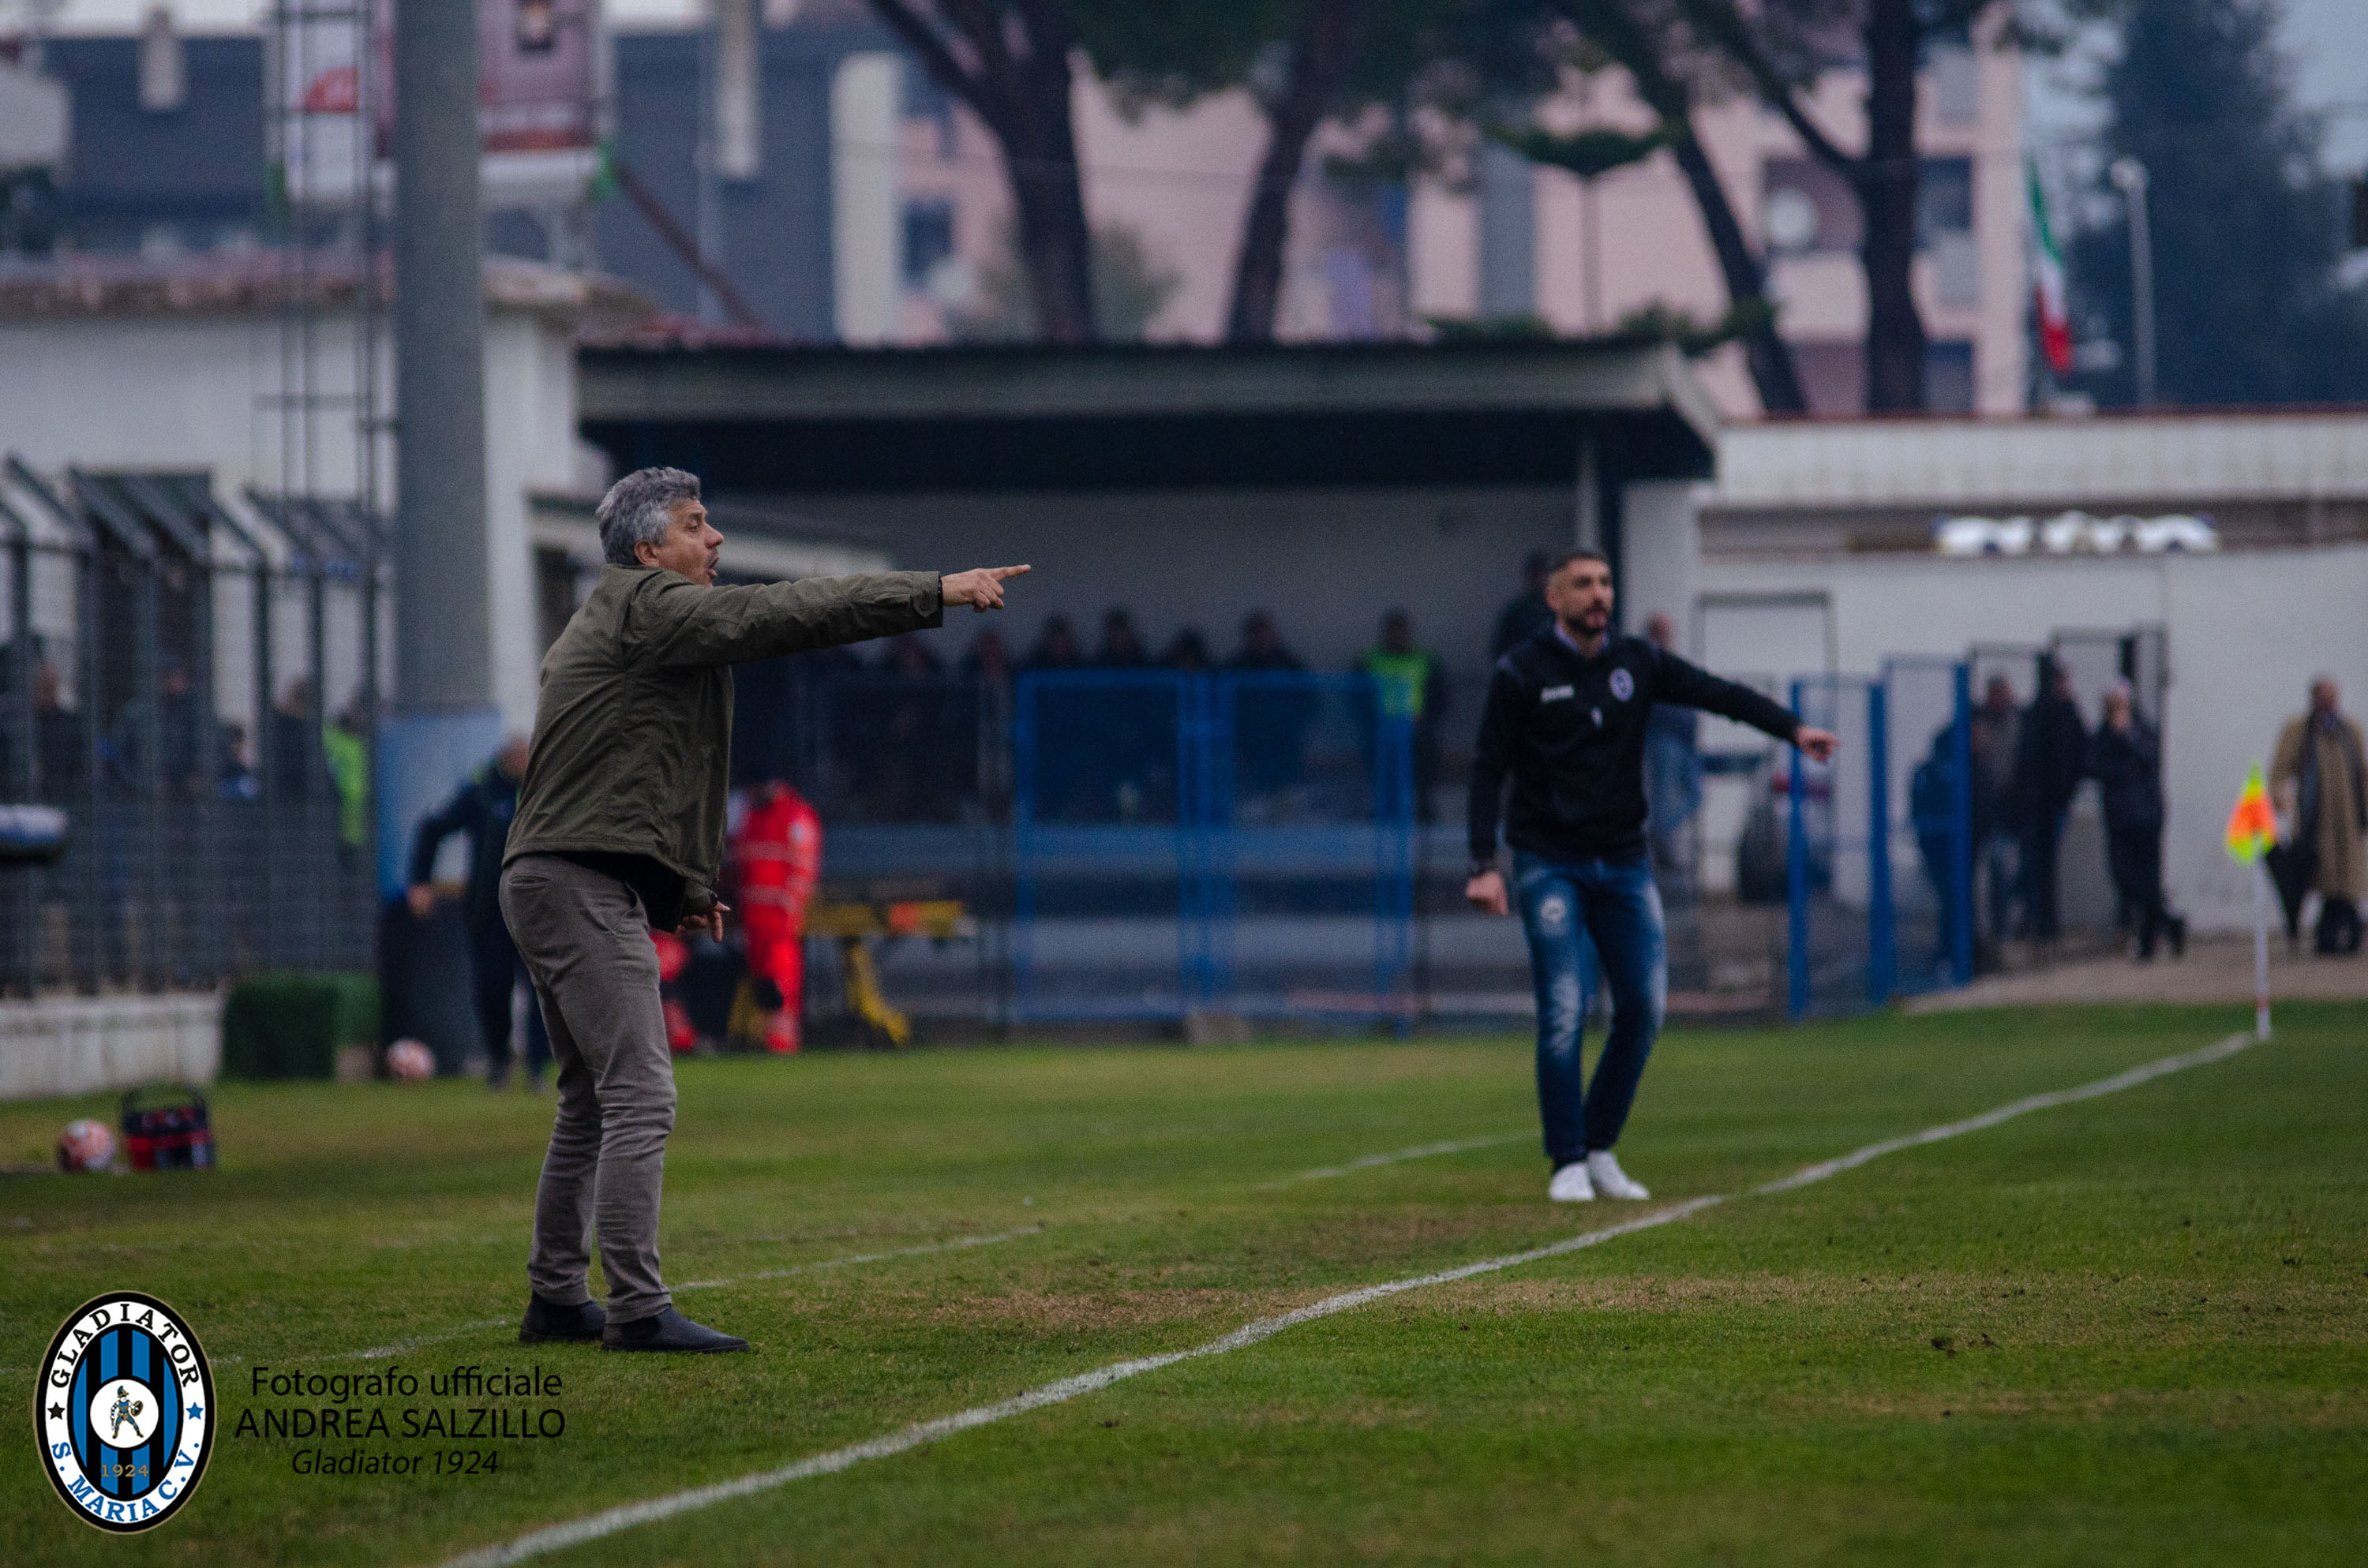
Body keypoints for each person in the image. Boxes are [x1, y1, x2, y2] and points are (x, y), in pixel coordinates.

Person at [499, 465, 1028, 1353]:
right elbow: (787, 614)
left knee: (591, 1098)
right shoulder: (651, 607)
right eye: (697, 525)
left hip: (559, 875)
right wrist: (934, 593)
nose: (716, 541)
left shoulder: (615, 620)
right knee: (640, 1093)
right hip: (575, 883)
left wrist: (685, 888)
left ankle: (557, 1295)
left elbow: (628, 769)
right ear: (646, 550)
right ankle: (634, 1307)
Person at [1466, 549, 1835, 1203]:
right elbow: (1487, 768)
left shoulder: (1638, 662)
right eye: (1583, 584)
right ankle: (1566, 1163)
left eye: (1605, 582)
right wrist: (1482, 865)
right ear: (1554, 598)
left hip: (1625, 863)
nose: (1598, 594)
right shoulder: (1520, 672)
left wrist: (1792, 729)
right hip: (1549, 863)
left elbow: (1718, 694)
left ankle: (1600, 1146)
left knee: (1643, 1009)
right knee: (1564, 1009)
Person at [408, 735, 551, 1090]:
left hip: (538, 912)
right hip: (490, 913)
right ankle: (499, 1059)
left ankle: (537, 1068)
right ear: (508, 759)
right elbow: (433, 828)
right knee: (492, 989)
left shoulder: (546, 788)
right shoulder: (483, 792)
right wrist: (420, 881)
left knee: (542, 991)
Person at [2088, 681, 2185, 961]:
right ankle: (2169, 924)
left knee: (2149, 879)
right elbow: (2093, 765)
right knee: (2126, 877)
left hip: (2146, 817)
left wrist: (2126, 735)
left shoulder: (2142, 729)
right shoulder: (2103, 735)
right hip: (2119, 818)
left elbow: (2150, 757)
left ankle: (2147, 943)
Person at [2271, 675, 2366, 956]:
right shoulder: (2300, 731)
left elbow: (2361, 773)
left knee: (2347, 881)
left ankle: (2346, 931)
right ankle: (2328, 933)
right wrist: (2281, 798)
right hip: (2317, 821)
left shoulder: (2350, 731)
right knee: (2325, 876)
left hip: (2349, 820)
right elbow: (2279, 771)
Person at [731, 780, 822, 1052]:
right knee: (763, 979)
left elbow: (803, 865)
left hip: (779, 918)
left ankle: (781, 1039)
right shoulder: (752, 814)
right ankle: (767, 1036)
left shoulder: (795, 815)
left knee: (781, 977)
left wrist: (792, 907)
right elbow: (743, 861)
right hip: (755, 918)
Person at [2011, 659, 2086, 945]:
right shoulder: (2038, 715)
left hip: (2054, 805)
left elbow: (2078, 757)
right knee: (2033, 865)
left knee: (2044, 866)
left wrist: (2066, 793)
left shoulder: (2067, 715)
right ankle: (2035, 921)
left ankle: (2045, 923)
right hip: (2036, 807)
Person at [1358, 608, 1448, 824]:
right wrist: (1374, 720)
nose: (1397, 636)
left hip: (1417, 725)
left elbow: (1440, 695)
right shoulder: (1370, 660)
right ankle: (1385, 807)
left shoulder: (1425, 659)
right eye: (1393, 631)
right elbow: (1357, 697)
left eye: (1402, 631)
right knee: (1380, 758)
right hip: (1381, 726)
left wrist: (1424, 719)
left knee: (1426, 755)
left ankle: (1423, 805)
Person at [1227, 611, 1316, 803]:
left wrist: (1292, 718)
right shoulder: (1237, 666)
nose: (1263, 640)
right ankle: (1259, 798)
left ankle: (1286, 796)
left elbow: (1308, 698)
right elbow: (1228, 703)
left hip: (1285, 732)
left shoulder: (1290, 664)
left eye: (1267, 634)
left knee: (1286, 779)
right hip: (1249, 734)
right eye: (1258, 635)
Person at [1639, 613, 1702, 878]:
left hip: (1683, 739)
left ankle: (1657, 830)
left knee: (1695, 795)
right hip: (1663, 736)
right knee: (1663, 797)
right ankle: (1659, 839)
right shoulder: (1646, 661)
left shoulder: (1670, 660)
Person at [1966, 674, 2023, 952]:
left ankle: (2002, 934)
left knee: (2005, 873)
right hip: (1980, 818)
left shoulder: (2017, 723)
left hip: (2008, 815)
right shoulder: (1976, 720)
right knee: (1980, 881)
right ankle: (1981, 939)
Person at [1489, 550, 1554, 660]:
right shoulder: (1517, 611)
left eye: (1543, 574)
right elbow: (1500, 649)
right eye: (1536, 574)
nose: (1540, 579)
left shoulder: (1559, 610)